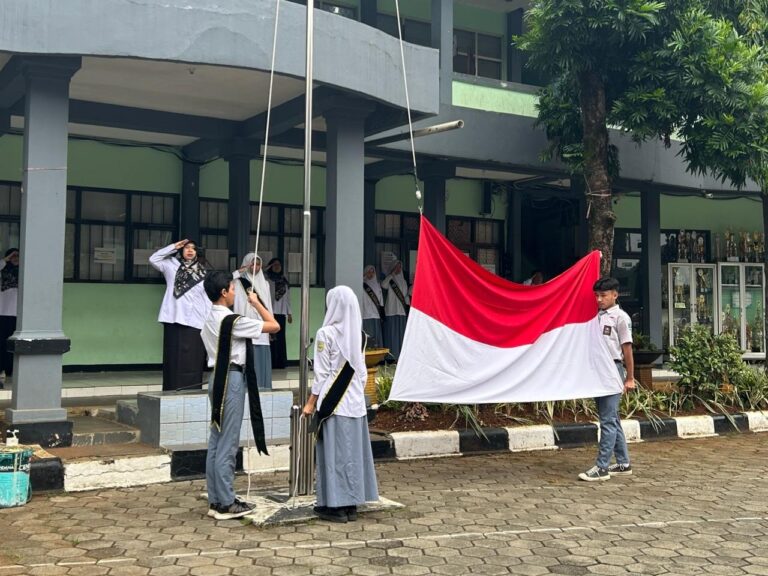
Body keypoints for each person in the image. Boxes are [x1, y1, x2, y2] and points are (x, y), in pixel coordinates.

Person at [201, 270, 280, 520]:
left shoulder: (209, 318)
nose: (236, 293)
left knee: (216, 439)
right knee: (228, 442)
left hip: (216, 378)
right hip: (232, 378)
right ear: (224, 292)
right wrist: (257, 304)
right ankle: (225, 502)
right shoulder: (232, 320)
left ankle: (216, 498)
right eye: (233, 289)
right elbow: (273, 325)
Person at [302, 286, 379, 523]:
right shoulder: (360, 335)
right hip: (355, 404)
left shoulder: (326, 334)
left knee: (334, 456)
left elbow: (322, 374)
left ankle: (335, 506)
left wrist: (310, 403)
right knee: (353, 455)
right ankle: (352, 505)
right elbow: (363, 373)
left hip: (333, 405)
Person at [579, 277, 635, 482]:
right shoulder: (597, 316)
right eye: (597, 296)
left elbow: (627, 349)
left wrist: (630, 377)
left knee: (607, 420)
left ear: (615, 295)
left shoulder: (621, 318)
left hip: (613, 368)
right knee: (611, 417)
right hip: (598, 370)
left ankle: (602, 467)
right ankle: (623, 463)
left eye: (603, 295)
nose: (599, 300)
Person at [150, 239, 211, 391]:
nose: (190, 250)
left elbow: (206, 298)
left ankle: (191, 389)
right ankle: (171, 389)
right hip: (173, 318)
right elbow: (153, 259)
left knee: (193, 359)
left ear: (198, 252)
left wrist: (209, 320)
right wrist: (173, 247)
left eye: (193, 248)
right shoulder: (171, 265)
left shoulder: (203, 272)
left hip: (195, 320)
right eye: (186, 248)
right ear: (181, 251)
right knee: (173, 357)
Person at [233, 253, 273, 390]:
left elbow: (268, 306)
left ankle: (263, 388)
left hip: (262, 327)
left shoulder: (265, 284)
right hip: (245, 326)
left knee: (260, 361)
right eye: (252, 263)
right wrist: (239, 271)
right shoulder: (238, 282)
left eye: (258, 264)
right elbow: (226, 281)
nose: (255, 266)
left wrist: (271, 325)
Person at [265, 258, 292, 369]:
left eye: (279, 264)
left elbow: (287, 298)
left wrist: (289, 313)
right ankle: (271, 363)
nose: (277, 266)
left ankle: (280, 363)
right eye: (274, 264)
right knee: (271, 338)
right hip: (270, 312)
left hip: (281, 313)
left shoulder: (284, 280)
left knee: (281, 338)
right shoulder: (267, 279)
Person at [381, 260, 409, 360]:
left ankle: (401, 355)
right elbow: (383, 285)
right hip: (391, 310)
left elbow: (405, 294)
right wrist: (390, 276)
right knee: (392, 333)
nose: (398, 269)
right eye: (396, 267)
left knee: (400, 334)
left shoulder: (404, 281)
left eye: (399, 267)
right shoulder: (390, 279)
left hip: (401, 310)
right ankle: (391, 356)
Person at [0, 248, 19, 385]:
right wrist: (5, 260)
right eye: (13, 256)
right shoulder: (3, 270)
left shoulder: (23, 272)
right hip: (3, 313)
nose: (15, 258)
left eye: (18, 256)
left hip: (19, 315)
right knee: (2, 344)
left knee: (16, 345)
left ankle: (11, 370)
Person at [361, 265, 385, 349]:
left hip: (376, 314)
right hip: (366, 314)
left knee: (376, 336)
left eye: (372, 272)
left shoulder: (377, 285)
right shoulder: (362, 285)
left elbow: (381, 300)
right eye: (368, 272)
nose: (370, 274)